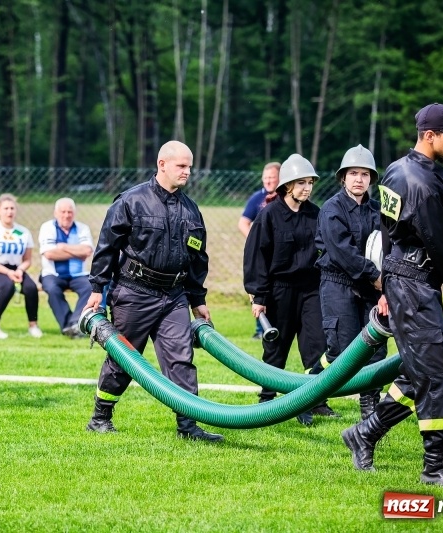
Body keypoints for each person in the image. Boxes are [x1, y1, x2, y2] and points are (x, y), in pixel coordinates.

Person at [341, 103, 443, 487]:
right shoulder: (422, 184)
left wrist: (387, 283)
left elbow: (386, 232)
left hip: (405, 283)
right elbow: (441, 245)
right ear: (429, 136)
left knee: (418, 373)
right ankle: (434, 467)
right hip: (415, 286)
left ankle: (364, 434)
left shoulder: (397, 170)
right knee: (439, 376)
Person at [84, 140, 223, 442]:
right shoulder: (131, 201)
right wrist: (97, 288)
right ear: (162, 164)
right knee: (124, 359)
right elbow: (107, 246)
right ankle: (100, 417)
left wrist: (197, 300)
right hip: (134, 292)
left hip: (174, 297)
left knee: (181, 359)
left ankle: (188, 427)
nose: (188, 172)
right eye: (181, 166)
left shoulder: (191, 210)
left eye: (189, 166)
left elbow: (197, 259)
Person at [243, 153, 327, 426]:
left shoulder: (316, 214)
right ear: (287, 185)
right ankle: (267, 399)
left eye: (310, 183)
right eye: (301, 183)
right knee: (276, 348)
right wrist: (259, 296)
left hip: (311, 289)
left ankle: (313, 401)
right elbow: (256, 257)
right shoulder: (268, 216)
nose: (307, 188)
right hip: (279, 291)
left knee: (316, 345)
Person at [310, 145, 387, 420]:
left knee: (374, 348)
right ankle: (311, 392)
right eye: (353, 173)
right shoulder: (332, 209)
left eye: (365, 174)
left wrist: (383, 280)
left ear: (371, 179)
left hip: (371, 287)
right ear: (343, 177)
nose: (359, 179)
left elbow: (388, 246)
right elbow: (343, 253)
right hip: (338, 284)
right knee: (341, 351)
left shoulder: (378, 211)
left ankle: (370, 406)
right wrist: (375, 276)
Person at [0, 194, 42, 339]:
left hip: (16, 269)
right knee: (7, 286)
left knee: (31, 288)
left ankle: (33, 326)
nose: (9, 212)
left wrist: (20, 270)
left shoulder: (24, 232)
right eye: (6, 208)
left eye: (12, 208)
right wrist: (8, 272)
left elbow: (27, 260)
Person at [37, 198, 94, 338]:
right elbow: (49, 254)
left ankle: (75, 323)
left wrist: (63, 247)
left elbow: (87, 251)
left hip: (78, 274)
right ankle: (69, 325)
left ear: (74, 213)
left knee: (92, 286)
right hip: (52, 274)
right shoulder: (47, 227)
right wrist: (77, 252)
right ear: (55, 213)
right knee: (52, 289)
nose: (66, 215)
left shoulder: (82, 228)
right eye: (63, 212)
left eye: (69, 212)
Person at [238, 161, 281, 340]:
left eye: (272, 178)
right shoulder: (257, 198)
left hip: (281, 256)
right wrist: (256, 242)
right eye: (265, 178)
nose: (268, 181)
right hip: (263, 255)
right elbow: (243, 222)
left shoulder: (286, 198)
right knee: (260, 289)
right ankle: (261, 329)